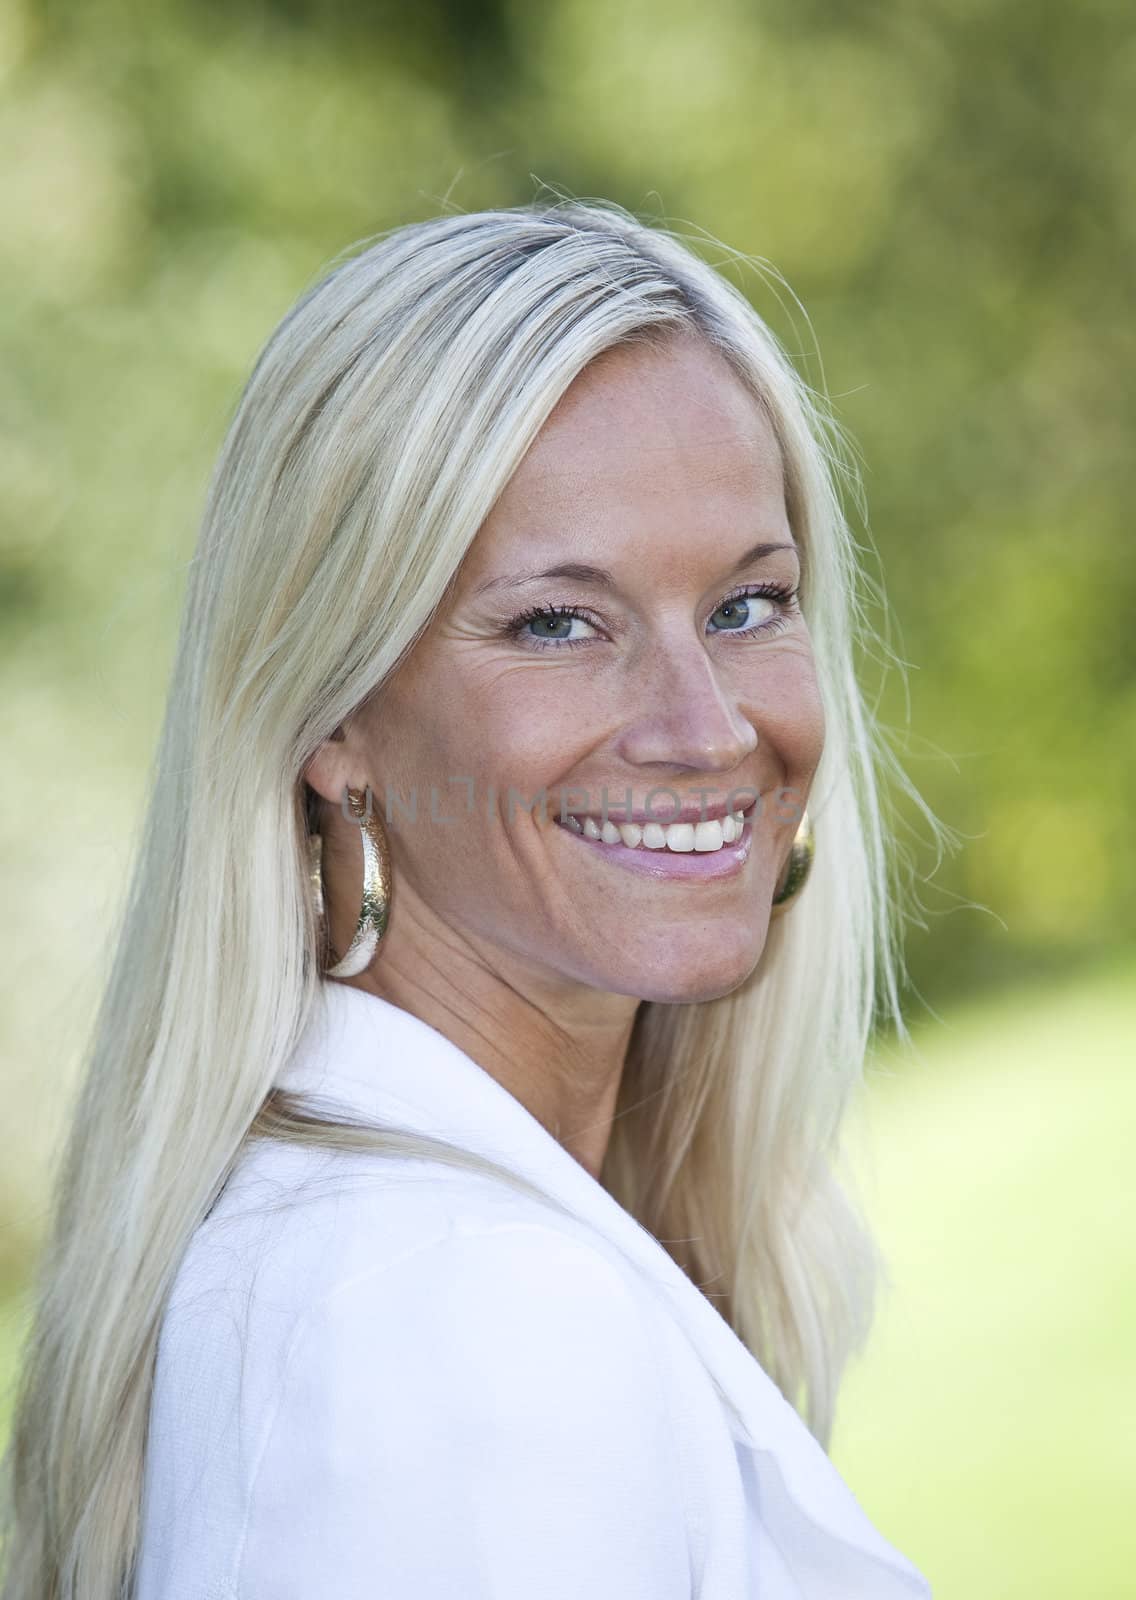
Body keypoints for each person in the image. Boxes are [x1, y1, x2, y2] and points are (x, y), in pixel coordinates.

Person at [0, 201, 936, 1598]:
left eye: (748, 605)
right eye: (560, 623)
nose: (706, 728)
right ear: (334, 717)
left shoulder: (432, 1242)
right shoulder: (452, 1321)